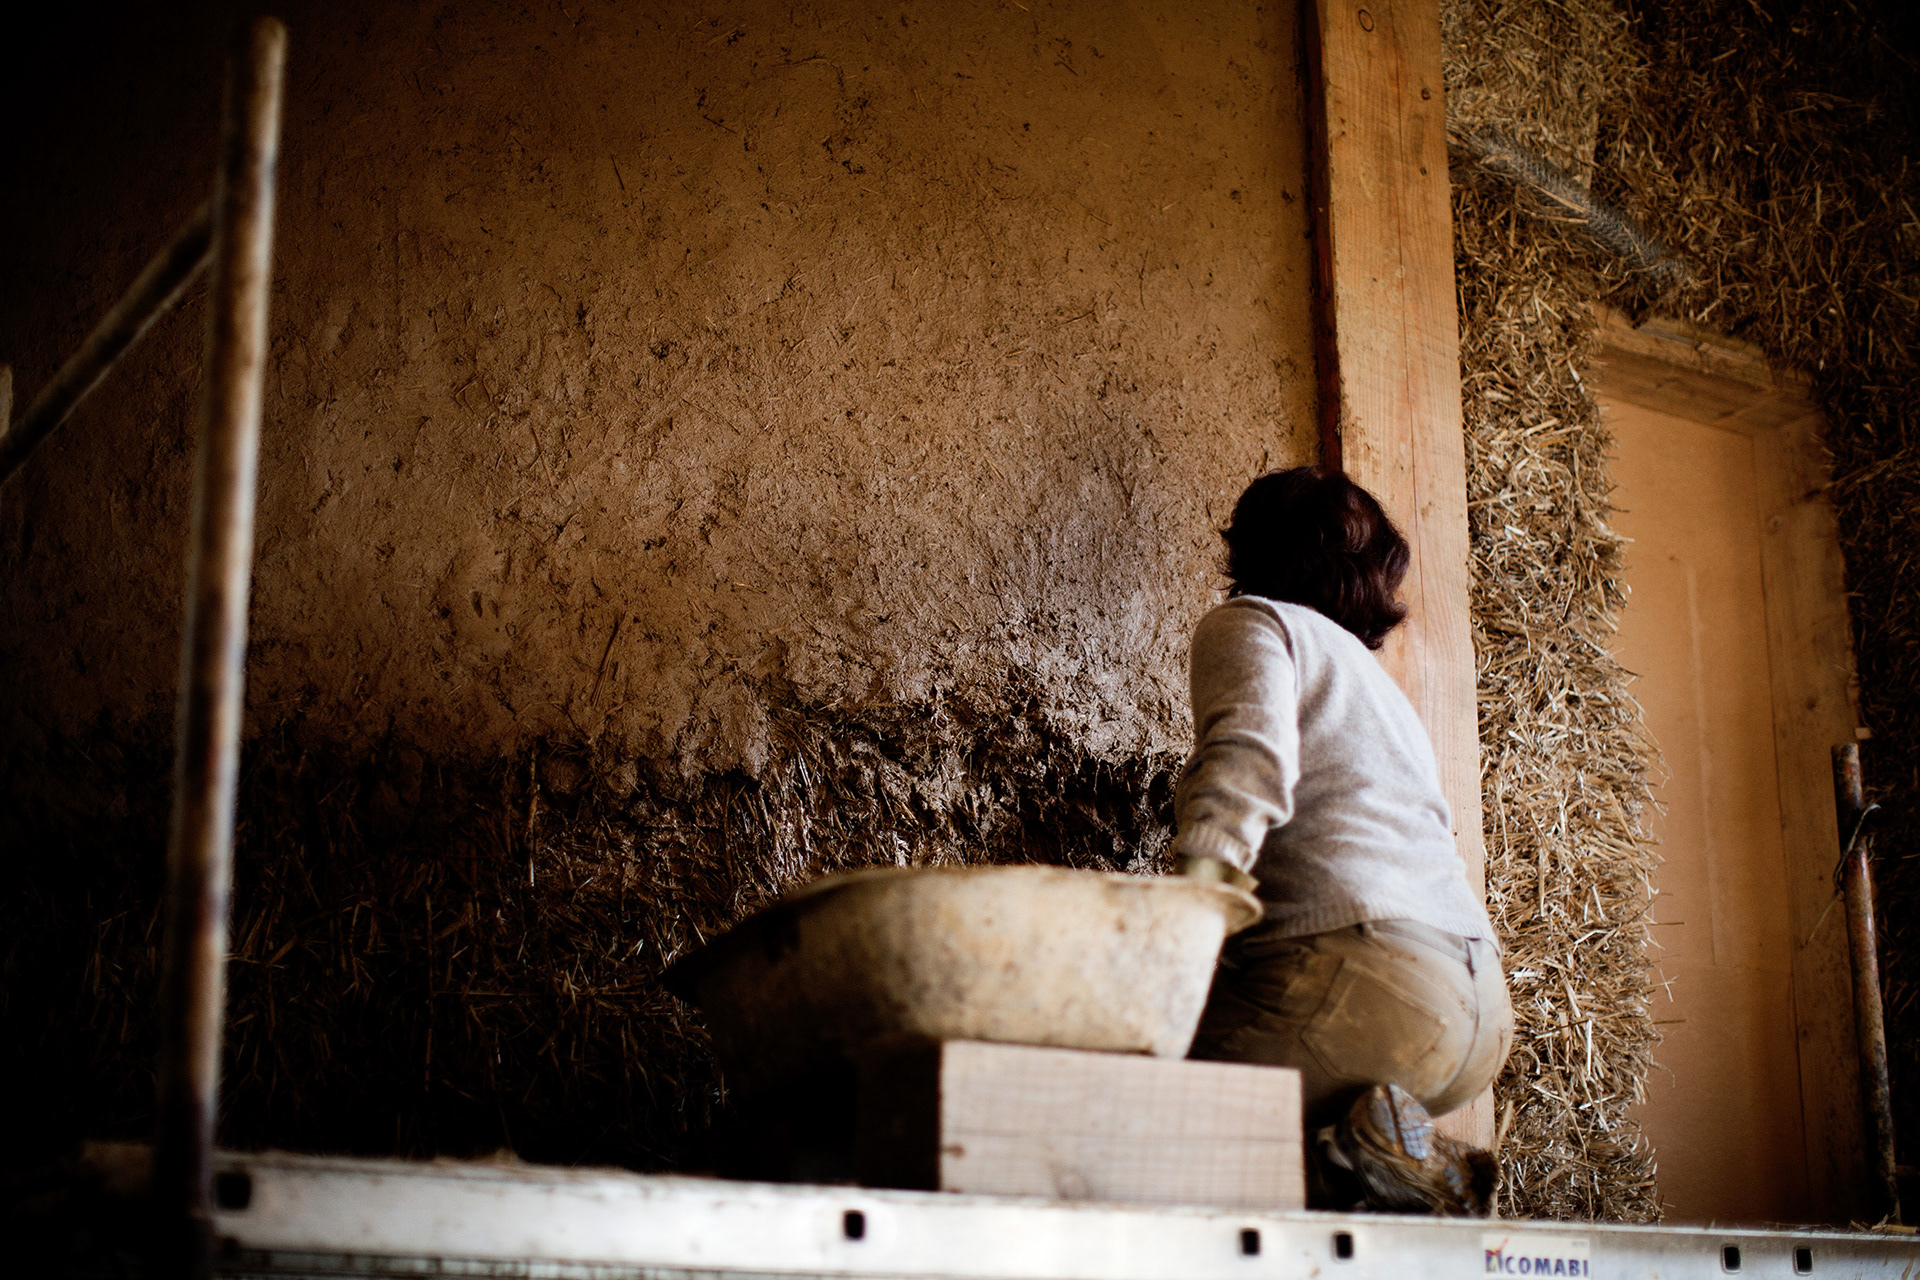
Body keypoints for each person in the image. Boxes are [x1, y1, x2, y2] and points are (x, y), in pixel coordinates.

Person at [1169, 465, 1512, 1215]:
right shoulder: (1381, 692)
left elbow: (1248, 757)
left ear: (1253, 552)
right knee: (1262, 1168)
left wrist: (1182, 922)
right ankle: (1375, 1162)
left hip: (1369, 988)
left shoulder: (1256, 623)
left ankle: (1361, 1163)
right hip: (1477, 1011)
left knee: (1135, 1116)